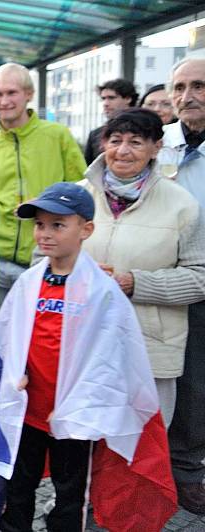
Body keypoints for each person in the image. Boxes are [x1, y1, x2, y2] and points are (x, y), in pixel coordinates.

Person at [0, 182, 177, 532]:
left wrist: (77, 401)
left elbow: (112, 358)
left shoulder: (101, 290)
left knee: (69, 495)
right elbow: (9, 341)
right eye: (40, 224)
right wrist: (16, 372)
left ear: (86, 229)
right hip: (27, 413)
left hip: (74, 419)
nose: (45, 233)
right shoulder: (29, 283)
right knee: (17, 487)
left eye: (58, 225)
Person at [80, 107, 205, 428]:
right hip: (84, 338)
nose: (122, 151)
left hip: (150, 346)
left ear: (156, 148)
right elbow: (45, 257)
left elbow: (199, 278)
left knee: (142, 447)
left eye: (136, 142)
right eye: (115, 140)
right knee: (83, 441)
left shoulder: (183, 205)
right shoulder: (78, 196)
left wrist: (134, 283)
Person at [0, 62, 86, 304]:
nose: (4, 100)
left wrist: (45, 205)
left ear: (29, 94)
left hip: (46, 259)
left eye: (11, 92)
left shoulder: (57, 136)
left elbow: (81, 189)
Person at [164, 57, 205, 515]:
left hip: (204, 283)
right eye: (179, 86)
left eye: (198, 85)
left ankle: (187, 470)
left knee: (197, 383)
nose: (187, 96)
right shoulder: (160, 145)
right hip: (160, 280)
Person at [84, 78, 138, 164]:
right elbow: (89, 170)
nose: (105, 103)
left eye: (111, 98)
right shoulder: (95, 134)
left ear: (128, 98)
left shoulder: (146, 129)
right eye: (103, 99)